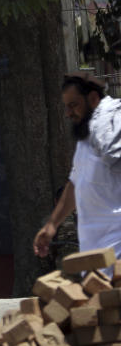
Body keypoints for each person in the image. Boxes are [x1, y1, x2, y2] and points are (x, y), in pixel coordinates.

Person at [34, 72, 121, 264]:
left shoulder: (115, 123)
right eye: (66, 107)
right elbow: (76, 183)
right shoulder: (86, 135)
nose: (68, 113)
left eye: (73, 105)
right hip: (94, 248)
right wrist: (51, 225)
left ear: (92, 99)